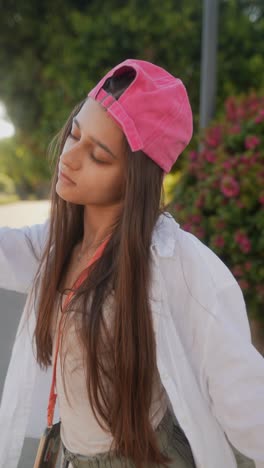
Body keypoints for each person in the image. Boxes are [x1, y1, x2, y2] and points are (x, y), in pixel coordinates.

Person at [0, 59, 263, 468]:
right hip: (67, 453)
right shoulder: (60, 242)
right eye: (74, 133)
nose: (68, 158)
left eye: (98, 156)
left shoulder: (175, 262)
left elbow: (244, 395)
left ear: (135, 179)